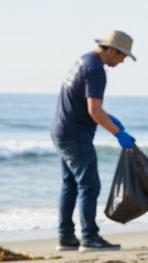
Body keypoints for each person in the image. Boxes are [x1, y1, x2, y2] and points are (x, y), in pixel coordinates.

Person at [51, 30, 138, 251]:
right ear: (111, 50)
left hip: (61, 130)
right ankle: (90, 238)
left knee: (70, 185)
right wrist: (118, 133)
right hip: (75, 135)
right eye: (122, 56)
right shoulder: (96, 69)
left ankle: (66, 238)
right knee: (90, 185)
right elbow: (94, 110)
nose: (122, 61)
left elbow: (89, 105)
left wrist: (111, 120)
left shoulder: (83, 61)